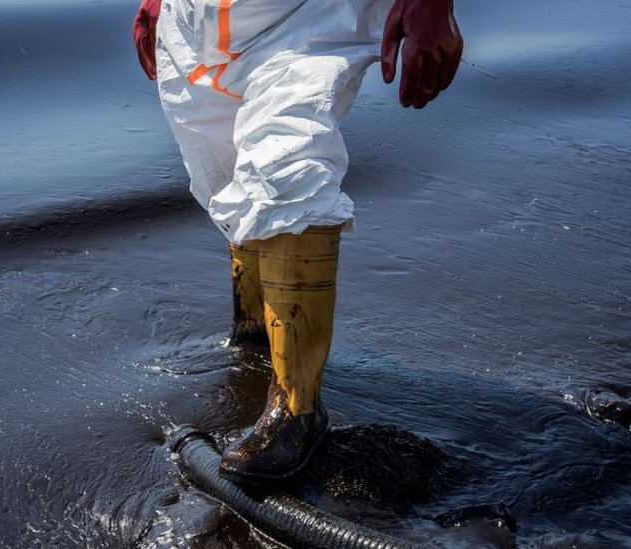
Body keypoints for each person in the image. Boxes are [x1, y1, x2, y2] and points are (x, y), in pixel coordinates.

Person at [133, 0, 463, 485]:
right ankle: (256, 338)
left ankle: (296, 409)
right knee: (224, 178)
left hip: (307, 16)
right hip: (194, 19)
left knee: (286, 169)